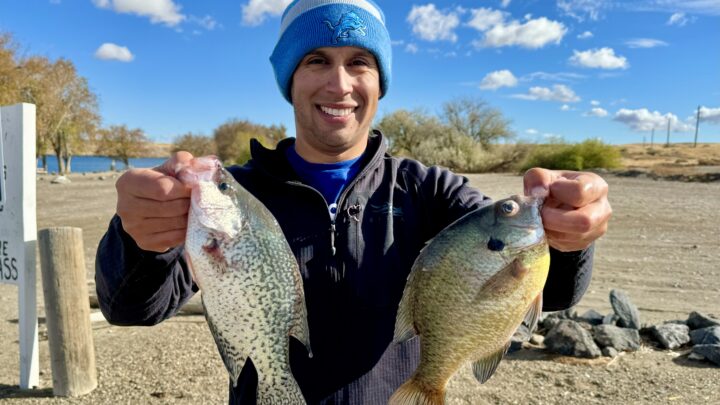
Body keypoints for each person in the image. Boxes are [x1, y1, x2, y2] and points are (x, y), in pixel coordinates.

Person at [95, 0, 612, 403]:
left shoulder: (432, 190)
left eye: (359, 62)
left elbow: (549, 287)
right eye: (316, 60)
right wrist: (139, 238)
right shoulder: (234, 198)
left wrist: (567, 233)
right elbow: (133, 309)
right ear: (289, 81)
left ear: (379, 82)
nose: (339, 83)